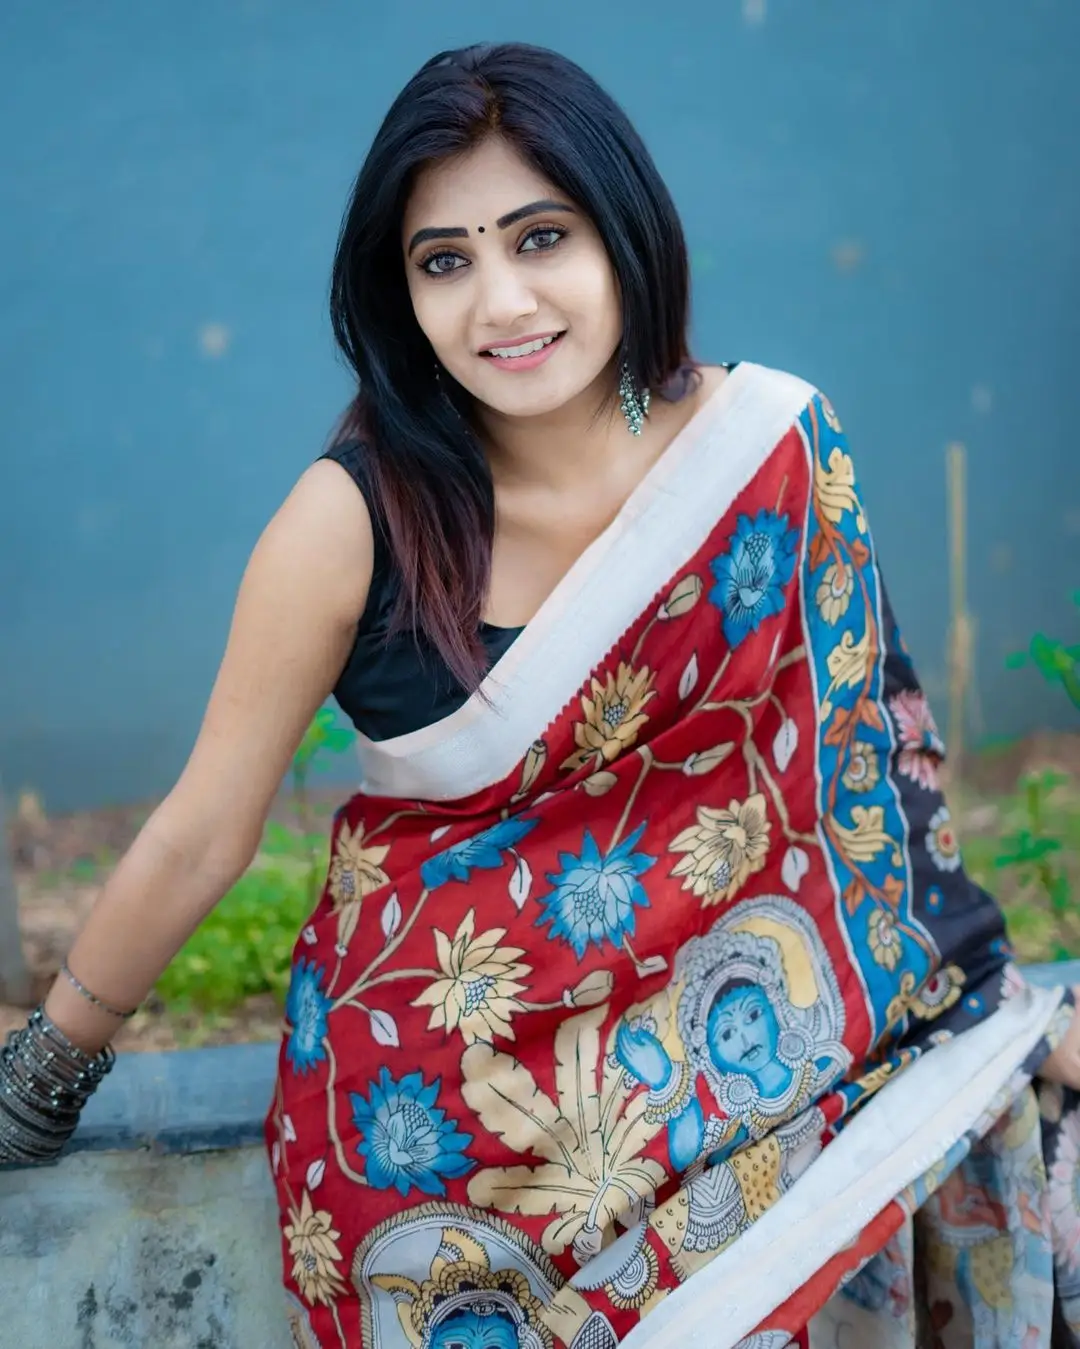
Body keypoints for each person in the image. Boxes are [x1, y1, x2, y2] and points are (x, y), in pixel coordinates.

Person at [2, 40, 1079, 1349]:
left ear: (626, 236)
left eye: (540, 237)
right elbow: (200, 830)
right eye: (443, 261)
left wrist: (999, 1013)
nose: (501, 302)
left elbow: (872, 781)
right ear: (396, 294)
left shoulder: (773, 455)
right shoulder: (350, 523)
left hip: (757, 1076)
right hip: (438, 1140)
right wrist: (42, 1081)